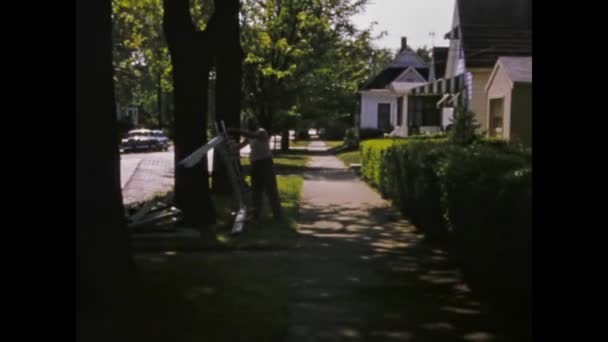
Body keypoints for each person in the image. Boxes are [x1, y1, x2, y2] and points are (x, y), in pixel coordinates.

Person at [228, 118, 282, 220]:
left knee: (271, 189)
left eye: (252, 124)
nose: (250, 126)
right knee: (256, 190)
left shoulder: (261, 132)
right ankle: (256, 214)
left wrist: (236, 130)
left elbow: (253, 136)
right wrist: (231, 145)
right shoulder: (249, 136)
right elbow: (239, 146)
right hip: (255, 164)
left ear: (256, 124)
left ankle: (277, 214)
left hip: (266, 164)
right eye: (249, 124)